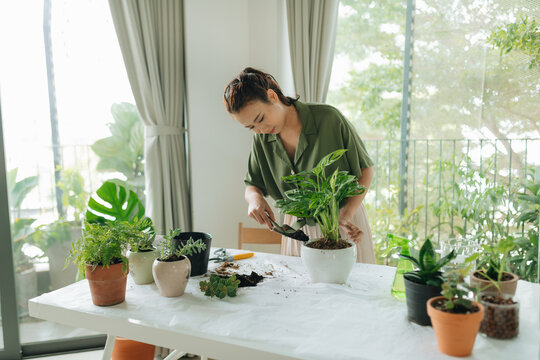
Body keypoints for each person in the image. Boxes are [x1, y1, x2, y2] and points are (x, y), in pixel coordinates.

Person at [224, 67, 376, 264]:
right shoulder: (262, 138)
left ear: (272, 96)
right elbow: (252, 184)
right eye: (251, 127)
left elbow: (366, 170)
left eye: (260, 119)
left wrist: (347, 215)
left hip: (344, 223)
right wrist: (254, 200)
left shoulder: (329, 118)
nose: (260, 129)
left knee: (352, 291)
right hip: (298, 231)